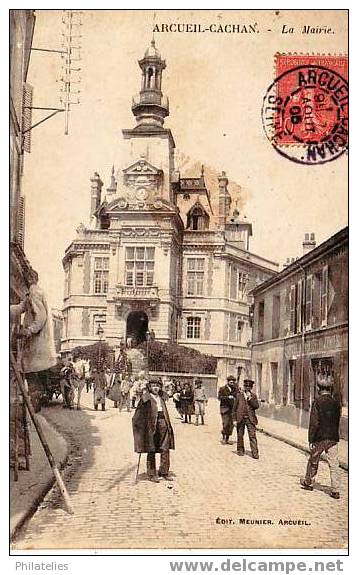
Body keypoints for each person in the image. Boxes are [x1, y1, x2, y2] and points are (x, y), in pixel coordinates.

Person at [10, 269, 57, 412]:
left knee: (30, 370)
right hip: (34, 343)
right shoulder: (32, 293)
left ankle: (35, 399)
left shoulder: (35, 293)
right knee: (29, 370)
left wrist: (29, 330)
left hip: (36, 342)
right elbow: (21, 307)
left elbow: (41, 316)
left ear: (28, 279)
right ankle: (34, 398)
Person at [300, 375, 341, 499]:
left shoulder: (317, 402)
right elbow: (337, 420)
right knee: (334, 464)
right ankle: (335, 490)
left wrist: (311, 439)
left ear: (319, 389)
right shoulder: (336, 403)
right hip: (333, 437)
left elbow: (314, 423)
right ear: (330, 389)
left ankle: (309, 482)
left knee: (313, 460)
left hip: (320, 437)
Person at [132, 378, 175, 482]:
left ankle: (164, 472)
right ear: (149, 387)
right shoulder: (145, 398)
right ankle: (151, 474)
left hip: (163, 423)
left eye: (157, 386)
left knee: (165, 448)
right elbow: (138, 414)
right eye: (153, 386)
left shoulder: (162, 397)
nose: (155, 388)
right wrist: (140, 426)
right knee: (151, 448)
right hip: (151, 426)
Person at [232, 379, 260, 458]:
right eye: (246, 386)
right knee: (240, 435)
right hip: (240, 418)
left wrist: (250, 398)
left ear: (251, 388)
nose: (247, 388)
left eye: (249, 387)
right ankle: (240, 450)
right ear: (244, 387)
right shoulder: (239, 395)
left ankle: (255, 452)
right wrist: (234, 420)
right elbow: (234, 409)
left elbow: (256, 406)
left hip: (250, 419)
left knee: (252, 435)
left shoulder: (253, 396)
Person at [218, 375, 237, 443]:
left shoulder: (235, 389)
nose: (232, 384)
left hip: (232, 410)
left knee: (231, 425)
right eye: (231, 382)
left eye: (233, 382)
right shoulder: (222, 389)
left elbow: (237, 398)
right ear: (228, 382)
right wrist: (228, 397)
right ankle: (223, 436)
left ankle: (227, 438)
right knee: (225, 423)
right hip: (224, 408)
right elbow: (219, 398)